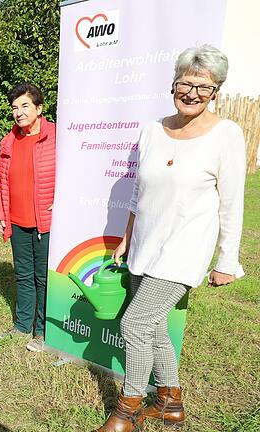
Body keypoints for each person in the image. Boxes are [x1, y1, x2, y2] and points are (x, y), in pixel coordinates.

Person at [96, 45, 245, 432]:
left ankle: (127, 411)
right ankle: (170, 402)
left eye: (204, 86)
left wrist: (227, 262)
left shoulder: (226, 135)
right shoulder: (152, 130)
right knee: (155, 326)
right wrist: (127, 237)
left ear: (216, 92)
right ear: (173, 84)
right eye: (185, 83)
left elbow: (232, 204)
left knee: (134, 324)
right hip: (146, 242)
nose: (192, 93)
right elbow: (137, 192)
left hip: (185, 249)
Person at [0, 83, 56, 353]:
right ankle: (21, 324)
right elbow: (1, 180)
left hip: (45, 221)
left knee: (43, 277)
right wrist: (0, 211)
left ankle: (42, 331)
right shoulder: (9, 141)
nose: (18, 112)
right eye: (15, 108)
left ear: (40, 108)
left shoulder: (57, 136)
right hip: (17, 220)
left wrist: (62, 204)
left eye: (25, 106)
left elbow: (74, 174)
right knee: (23, 275)